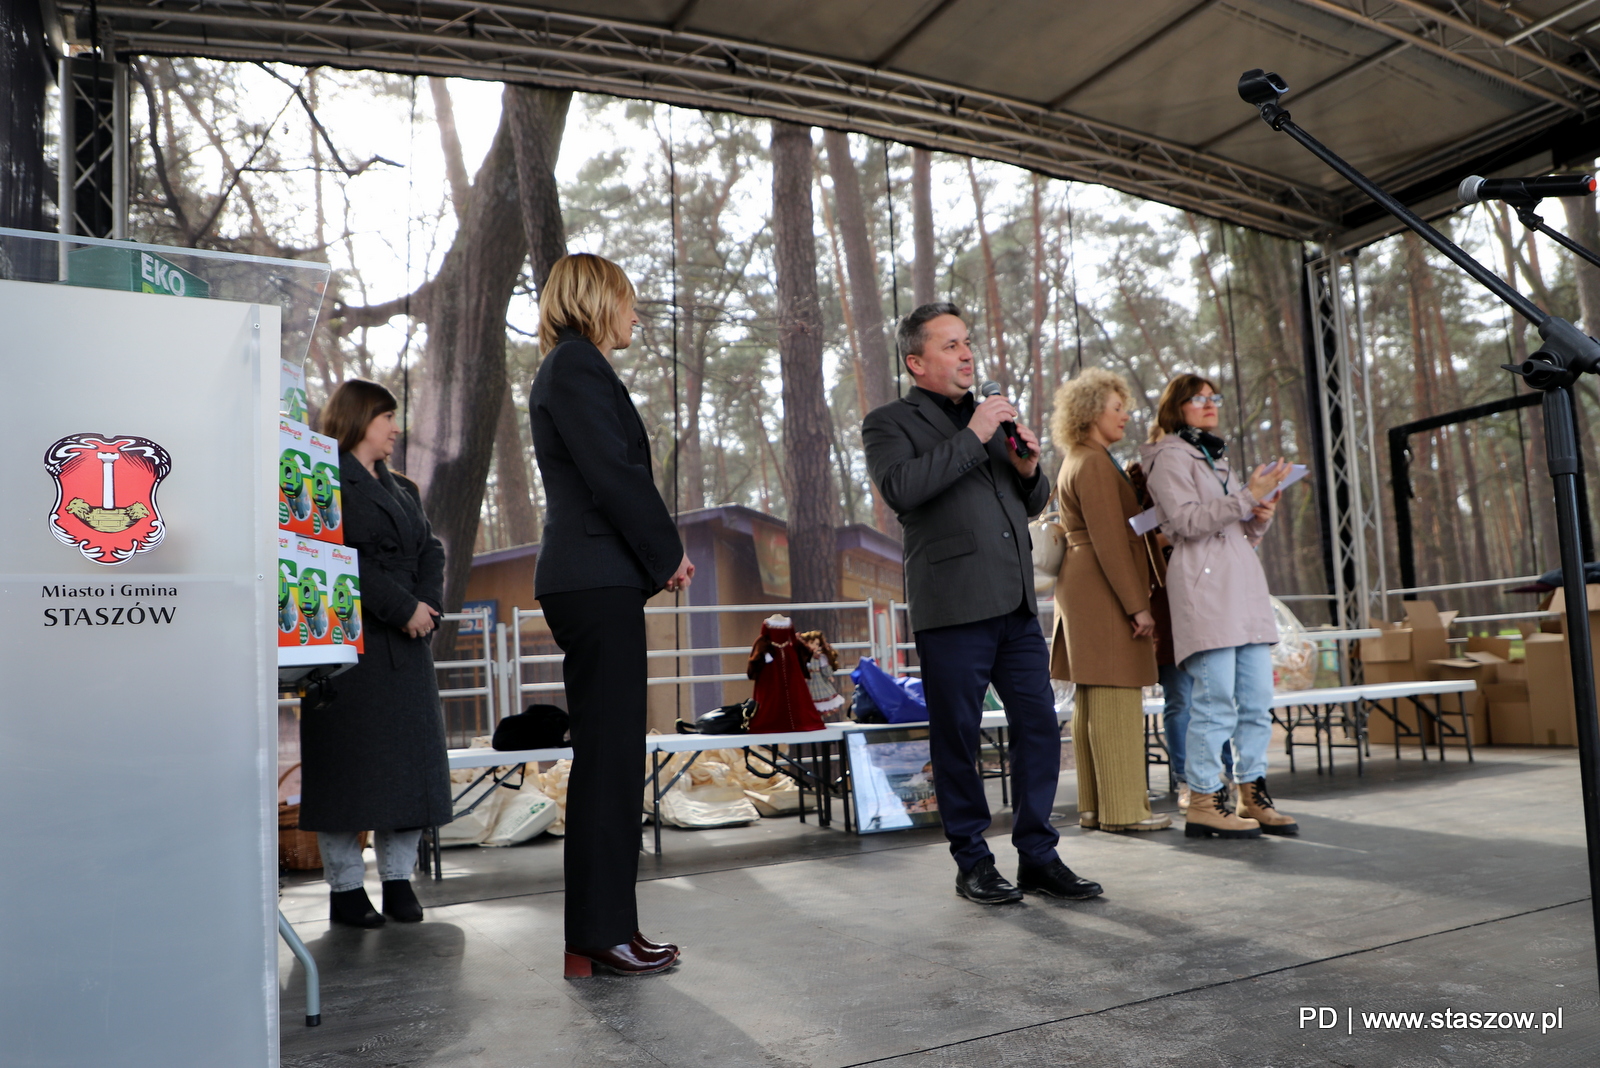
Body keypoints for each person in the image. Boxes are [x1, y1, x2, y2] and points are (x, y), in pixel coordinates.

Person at [863, 302, 1102, 905]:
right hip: (952, 603)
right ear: (916, 362)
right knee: (958, 736)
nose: (967, 353)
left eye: (967, 342)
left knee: (1039, 726)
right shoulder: (890, 422)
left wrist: (1026, 467)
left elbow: (1028, 499)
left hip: (1015, 602)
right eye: (950, 345)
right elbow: (904, 489)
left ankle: (1038, 855)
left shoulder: (987, 418)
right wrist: (975, 435)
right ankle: (972, 859)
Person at [528, 253, 695, 977]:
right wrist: (665, 552)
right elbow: (612, 474)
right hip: (594, 579)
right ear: (597, 301)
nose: (635, 316)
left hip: (597, 579)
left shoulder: (577, 369)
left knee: (615, 759)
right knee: (609, 762)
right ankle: (598, 935)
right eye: (627, 302)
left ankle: (607, 931)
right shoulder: (574, 368)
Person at [299, 378, 452, 928]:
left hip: (406, 645)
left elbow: (431, 548)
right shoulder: (322, 481)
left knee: (410, 768)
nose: (396, 427)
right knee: (347, 770)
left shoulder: (403, 487)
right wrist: (400, 606)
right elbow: (330, 556)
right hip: (346, 642)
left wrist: (427, 605)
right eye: (388, 416)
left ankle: (397, 881)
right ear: (362, 417)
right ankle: (345, 890)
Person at [1140, 374, 1297, 838]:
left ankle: (1252, 791)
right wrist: (1247, 496)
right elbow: (1186, 523)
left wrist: (1258, 518)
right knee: (1214, 704)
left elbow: (1234, 533)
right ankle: (1205, 798)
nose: (1210, 405)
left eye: (1214, 398)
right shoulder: (1168, 456)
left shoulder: (1216, 458)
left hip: (1242, 591)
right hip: (1207, 594)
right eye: (1198, 399)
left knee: (1255, 702)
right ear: (1176, 408)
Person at [1048, 368, 1169, 833]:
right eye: (1117, 408)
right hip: (1102, 588)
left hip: (1083, 588)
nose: (1126, 415)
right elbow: (1111, 543)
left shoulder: (1080, 458)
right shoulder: (1096, 463)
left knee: (1093, 699)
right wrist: (1139, 606)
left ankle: (1095, 807)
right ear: (1092, 411)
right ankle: (1125, 812)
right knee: (1117, 695)